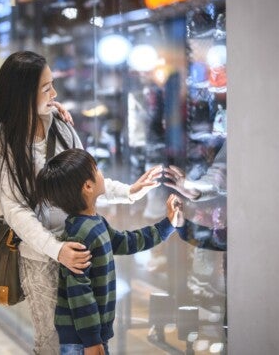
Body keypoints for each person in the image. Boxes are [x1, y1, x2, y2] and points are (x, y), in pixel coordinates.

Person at [0, 50, 164, 354]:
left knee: (92, 339)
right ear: (22, 95)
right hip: (42, 260)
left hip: (82, 250)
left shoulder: (61, 127)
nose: (55, 93)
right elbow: (16, 212)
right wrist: (57, 250)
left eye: (53, 85)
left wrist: (128, 192)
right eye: (46, 88)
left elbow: (86, 178)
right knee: (53, 344)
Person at [36, 148, 185, 355]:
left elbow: (127, 242)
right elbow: (79, 293)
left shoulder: (95, 223)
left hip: (91, 335)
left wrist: (166, 226)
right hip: (81, 340)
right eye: (96, 169)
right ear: (88, 186)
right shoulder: (81, 234)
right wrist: (91, 341)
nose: (101, 173)